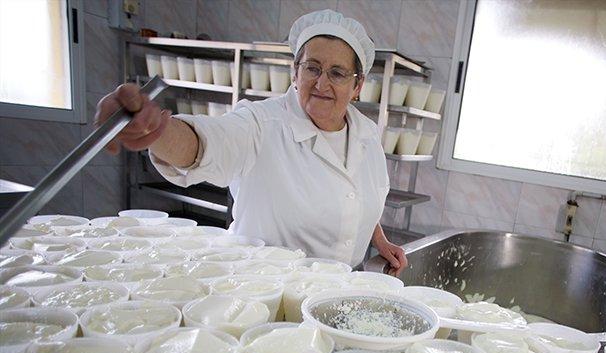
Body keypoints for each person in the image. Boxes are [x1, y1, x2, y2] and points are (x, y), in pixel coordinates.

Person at [96, 9, 407, 274]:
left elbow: (353, 195)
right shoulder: (261, 123)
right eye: (312, 68)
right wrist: (157, 130)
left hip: (335, 297)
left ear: (358, 86)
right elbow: (206, 143)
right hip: (265, 295)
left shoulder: (366, 133)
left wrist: (375, 237)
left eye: (337, 73)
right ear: (295, 73)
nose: (321, 83)